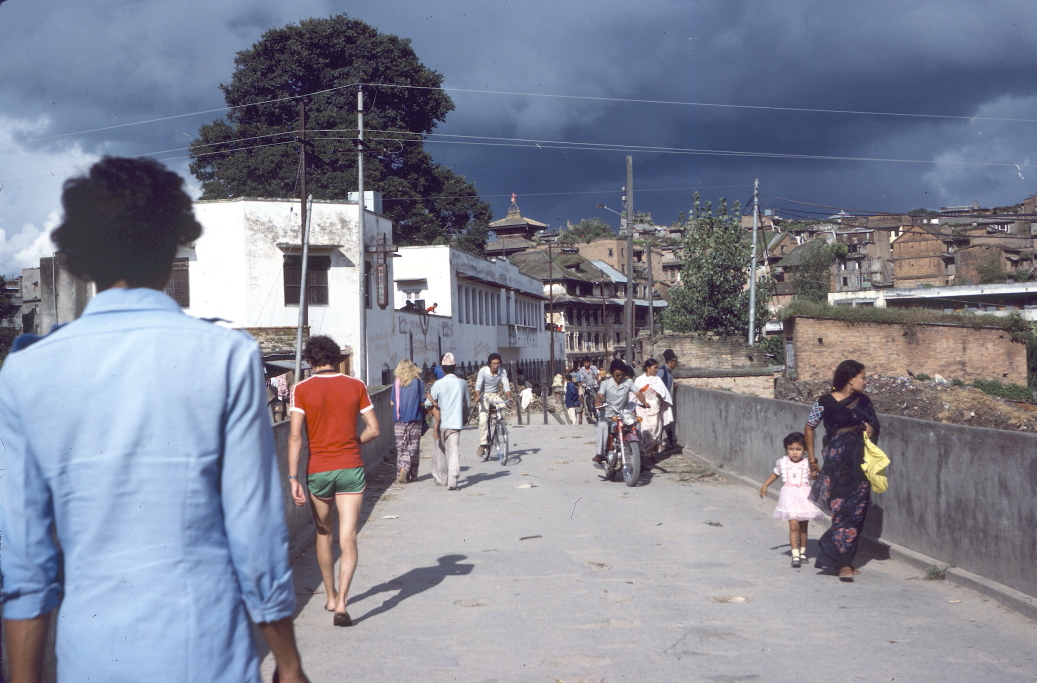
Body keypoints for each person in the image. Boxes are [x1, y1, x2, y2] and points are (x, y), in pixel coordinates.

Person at [0, 157, 308, 683]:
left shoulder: (26, 371)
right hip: (208, 652)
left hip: (90, 657)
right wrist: (289, 662)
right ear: (173, 248)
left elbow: (26, 565)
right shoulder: (226, 356)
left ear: (82, 258)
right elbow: (254, 534)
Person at [289, 335, 380, 626]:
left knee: (324, 534)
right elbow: (374, 429)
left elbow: (294, 437)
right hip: (350, 467)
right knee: (349, 537)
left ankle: (329, 595)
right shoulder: (356, 386)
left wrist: (293, 478)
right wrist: (353, 442)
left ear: (310, 361)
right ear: (336, 358)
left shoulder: (300, 389)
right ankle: (343, 603)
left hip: (318, 471)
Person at [804, 359, 880, 582]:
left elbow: (875, 425)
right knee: (841, 510)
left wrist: (868, 427)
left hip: (859, 464)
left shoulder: (863, 401)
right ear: (850, 378)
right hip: (836, 466)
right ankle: (842, 563)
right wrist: (812, 459)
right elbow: (809, 427)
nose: (865, 382)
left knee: (857, 512)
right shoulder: (824, 402)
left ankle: (845, 559)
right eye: (863, 377)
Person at [759, 432, 823, 568]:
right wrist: (765, 485)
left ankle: (803, 552)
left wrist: (813, 473)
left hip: (804, 497)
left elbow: (813, 478)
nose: (794, 453)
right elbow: (775, 474)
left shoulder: (808, 463)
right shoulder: (782, 462)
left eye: (798, 449)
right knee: (793, 525)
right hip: (789, 496)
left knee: (803, 526)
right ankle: (795, 555)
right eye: (791, 449)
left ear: (805, 450)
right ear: (786, 449)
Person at [593, 359, 649, 468]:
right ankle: (600, 453)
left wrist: (644, 402)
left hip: (623, 414)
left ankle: (639, 454)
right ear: (612, 373)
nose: (619, 377)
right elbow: (600, 395)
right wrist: (598, 402)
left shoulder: (628, 382)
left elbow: (638, 393)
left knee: (636, 424)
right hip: (608, 414)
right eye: (617, 374)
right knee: (602, 426)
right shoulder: (605, 383)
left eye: (622, 374)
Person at [426, 353, 470, 489]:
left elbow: (428, 403)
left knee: (440, 451)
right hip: (455, 423)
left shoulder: (438, 384)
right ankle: (453, 479)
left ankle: (442, 478)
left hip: (440, 423)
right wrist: (465, 417)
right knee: (453, 451)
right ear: (455, 367)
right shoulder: (462, 383)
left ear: (443, 369)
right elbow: (466, 404)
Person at [391, 359, 427, 484]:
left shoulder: (396, 383)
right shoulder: (418, 383)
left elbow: (391, 402)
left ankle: (401, 472)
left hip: (399, 419)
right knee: (414, 447)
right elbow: (423, 402)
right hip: (415, 418)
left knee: (401, 447)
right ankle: (413, 474)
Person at [473, 352, 513, 457]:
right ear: (489, 364)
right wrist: (477, 396)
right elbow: (478, 385)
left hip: (495, 394)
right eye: (494, 364)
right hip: (484, 395)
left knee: (503, 406)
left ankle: (499, 426)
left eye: (498, 364)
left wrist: (509, 396)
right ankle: (482, 444)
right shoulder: (483, 371)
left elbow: (506, 385)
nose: (496, 366)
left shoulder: (502, 371)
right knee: (483, 420)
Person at [634, 358, 673, 464]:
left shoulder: (657, 380)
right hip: (642, 409)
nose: (656, 370)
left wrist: (658, 394)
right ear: (648, 368)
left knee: (656, 431)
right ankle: (645, 455)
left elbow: (663, 393)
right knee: (645, 431)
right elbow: (634, 394)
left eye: (656, 367)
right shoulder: (639, 380)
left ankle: (650, 453)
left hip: (655, 408)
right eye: (654, 367)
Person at [659, 349, 680, 449]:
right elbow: (656, 384)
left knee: (667, 423)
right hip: (662, 401)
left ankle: (670, 443)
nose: (675, 365)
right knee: (663, 423)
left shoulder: (668, 372)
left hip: (667, 401)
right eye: (674, 363)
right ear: (671, 362)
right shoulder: (662, 372)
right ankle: (664, 443)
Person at [576, 357, 600, 424]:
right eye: (585, 363)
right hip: (587, 386)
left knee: (597, 398)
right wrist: (583, 383)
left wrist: (598, 380)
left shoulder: (594, 368)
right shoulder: (582, 370)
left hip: (594, 385)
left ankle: (597, 411)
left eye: (587, 362)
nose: (586, 364)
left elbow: (597, 376)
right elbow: (582, 379)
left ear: (589, 362)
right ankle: (589, 412)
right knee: (587, 400)